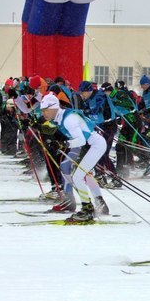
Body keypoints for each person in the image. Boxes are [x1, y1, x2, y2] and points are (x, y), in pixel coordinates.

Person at [40, 93, 109, 222]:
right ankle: (100, 204)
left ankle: (87, 209)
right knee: (83, 175)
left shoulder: (68, 119)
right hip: (90, 145)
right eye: (42, 110)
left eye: (45, 110)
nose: (43, 113)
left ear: (54, 107)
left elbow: (81, 140)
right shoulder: (59, 117)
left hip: (95, 145)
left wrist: (63, 144)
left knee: (77, 177)